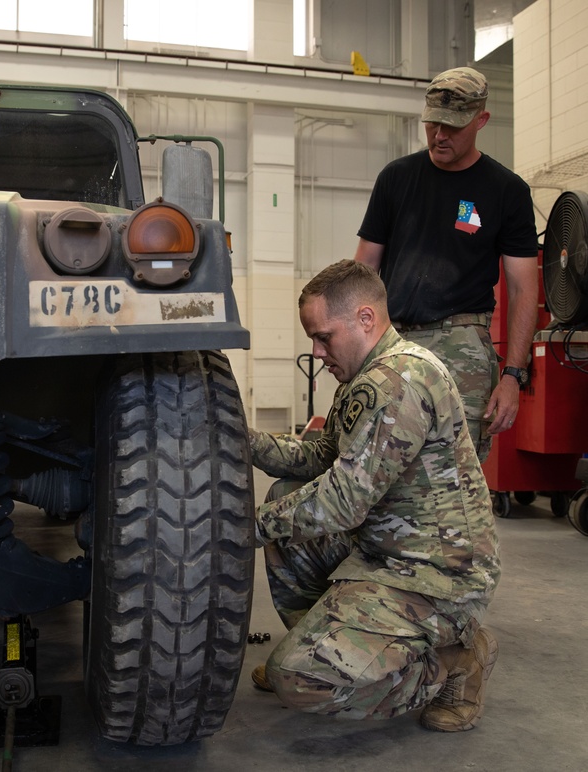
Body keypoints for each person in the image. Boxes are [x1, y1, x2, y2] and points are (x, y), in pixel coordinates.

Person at [249, 259, 500, 732]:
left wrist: (249, 530)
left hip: (434, 572)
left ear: (365, 319)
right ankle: (320, 648)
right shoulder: (362, 378)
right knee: (287, 497)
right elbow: (320, 457)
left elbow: (344, 498)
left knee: (300, 681)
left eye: (324, 336)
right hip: (381, 550)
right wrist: (241, 440)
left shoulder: (401, 379)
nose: (317, 350)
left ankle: (456, 659)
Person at [354, 66, 540, 462]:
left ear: (481, 120)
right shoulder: (396, 178)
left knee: (454, 478)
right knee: (376, 469)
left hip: (463, 347)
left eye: (453, 126)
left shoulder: (506, 190)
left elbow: (525, 290)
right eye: (433, 123)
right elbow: (363, 272)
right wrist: (356, 350)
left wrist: (512, 377)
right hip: (394, 342)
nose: (439, 135)